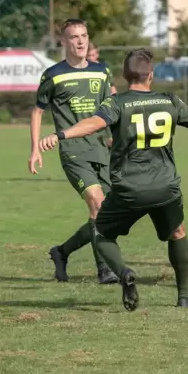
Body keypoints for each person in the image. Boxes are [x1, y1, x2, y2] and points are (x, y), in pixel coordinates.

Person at [39, 48, 188, 310]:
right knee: (178, 233)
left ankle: (124, 274)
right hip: (165, 187)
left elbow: (94, 123)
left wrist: (62, 134)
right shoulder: (170, 101)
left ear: (124, 75)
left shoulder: (116, 103)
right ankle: (184, 297)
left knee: (100, 231)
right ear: (151, 75)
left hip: (129, 188)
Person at [29, 18, 117, 284]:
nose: (80, 41)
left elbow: (111, 107)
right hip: (73, 151)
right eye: (74, 37)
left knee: (103, 215)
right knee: (98, 203)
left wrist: (115, 137)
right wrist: (35, 149)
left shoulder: (102, 72)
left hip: (101, 149)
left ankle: (62, 251)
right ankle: (105, 269)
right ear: (64, 42)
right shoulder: (53, 74)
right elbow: (37, 111)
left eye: (84, 35)